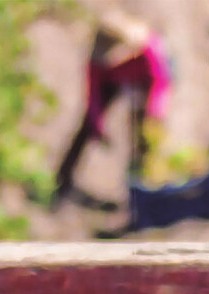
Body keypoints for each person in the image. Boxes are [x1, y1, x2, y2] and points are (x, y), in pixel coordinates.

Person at [52, 8, 171, 208]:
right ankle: (61, 181)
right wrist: (98, 125)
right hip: (114, 82)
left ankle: (141, 193)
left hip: (143, 81)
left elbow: (161, 82)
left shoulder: (148, 48)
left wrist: (153, 112)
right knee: (86, 129)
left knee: (143, 138)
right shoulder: (97, 62)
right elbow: (94, 96)